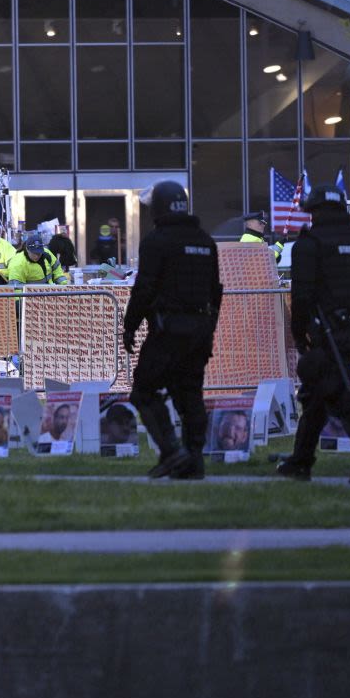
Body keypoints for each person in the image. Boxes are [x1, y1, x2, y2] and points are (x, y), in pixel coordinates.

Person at [276, 184, 350, 485]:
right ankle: (301, 460)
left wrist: (298, 335)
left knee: (340, 394)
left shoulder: (309, 244)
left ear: (313, 211)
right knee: (316, 395)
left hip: (325, 331)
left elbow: (301, 297)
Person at [123, 180, 223, 481]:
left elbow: (144, 289)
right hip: (200, 331)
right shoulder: (206, 241)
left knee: (143, 391)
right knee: (190, 394)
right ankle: (194, 461)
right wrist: (209, 330)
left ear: (159, 207)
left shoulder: (157, 240)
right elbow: (216, 291)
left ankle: (171, 451)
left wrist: (130, 326)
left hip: (168, 331)